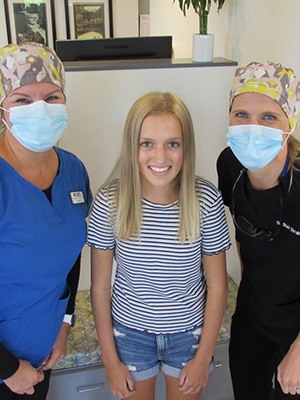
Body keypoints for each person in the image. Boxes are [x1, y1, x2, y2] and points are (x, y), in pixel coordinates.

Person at [87, 92, 231, 400]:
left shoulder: (206, 200)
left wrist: (204, 355)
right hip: (130, 334)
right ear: (132, 146)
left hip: (188, 334)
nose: (161, 157)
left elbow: (218, 286)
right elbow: (99, 288)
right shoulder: (110, 202)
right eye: (147, 143)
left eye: (173, 144)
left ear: (186, 147)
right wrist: (111, 361)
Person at [0, 42, 92, 399]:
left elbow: (71, 250)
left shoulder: (73, 169)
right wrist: (8, 369)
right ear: (3, 110)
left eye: (52, 97)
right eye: (22, 100)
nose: (40, 109)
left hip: (41, 353)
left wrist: (64, 323)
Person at [217, 61, 300, 399]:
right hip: (253, 315)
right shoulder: (230, 164)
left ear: (289, 123)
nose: (253, 128)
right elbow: (242, 232)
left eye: (269, 117)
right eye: (241, 115)